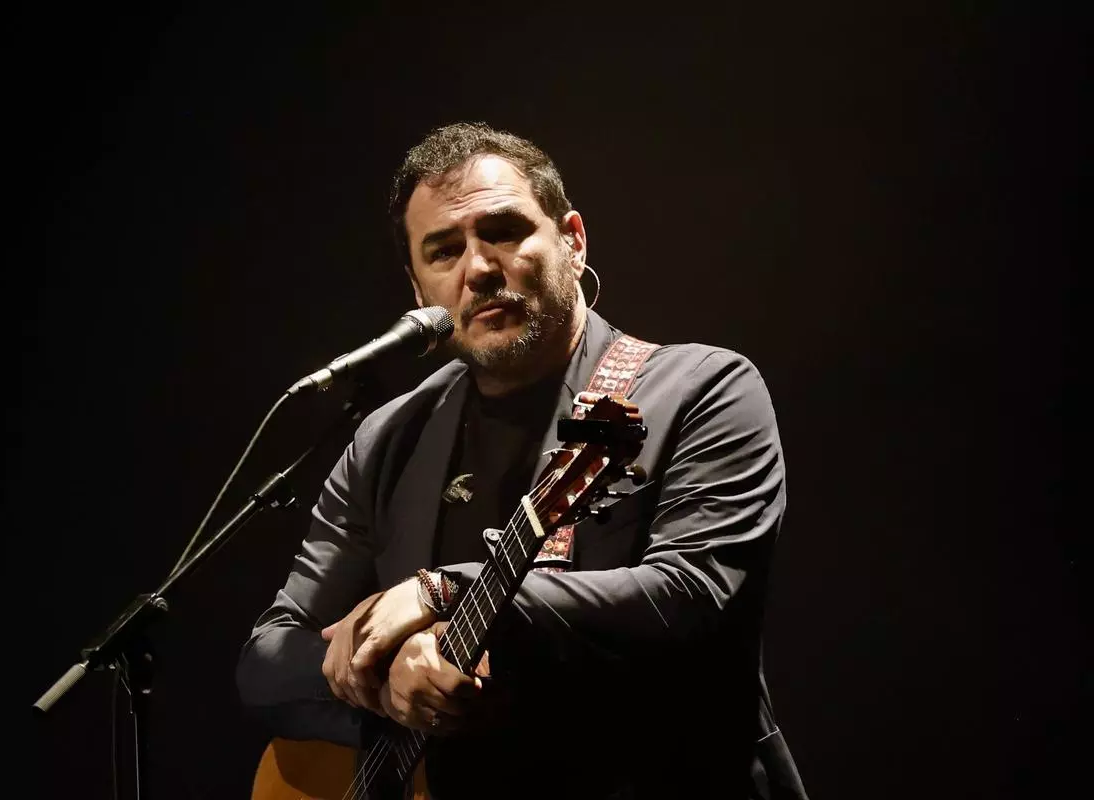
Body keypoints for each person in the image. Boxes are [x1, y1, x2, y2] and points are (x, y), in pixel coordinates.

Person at [236, 121, 808, 798]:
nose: (479, 269)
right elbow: (268, 659)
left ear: (573, 240)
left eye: (503, 232)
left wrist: (442, 591)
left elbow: (693, 597)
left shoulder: (703, 390)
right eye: (444, 251)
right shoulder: (387, 439)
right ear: (419, 291)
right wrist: (391, 682)